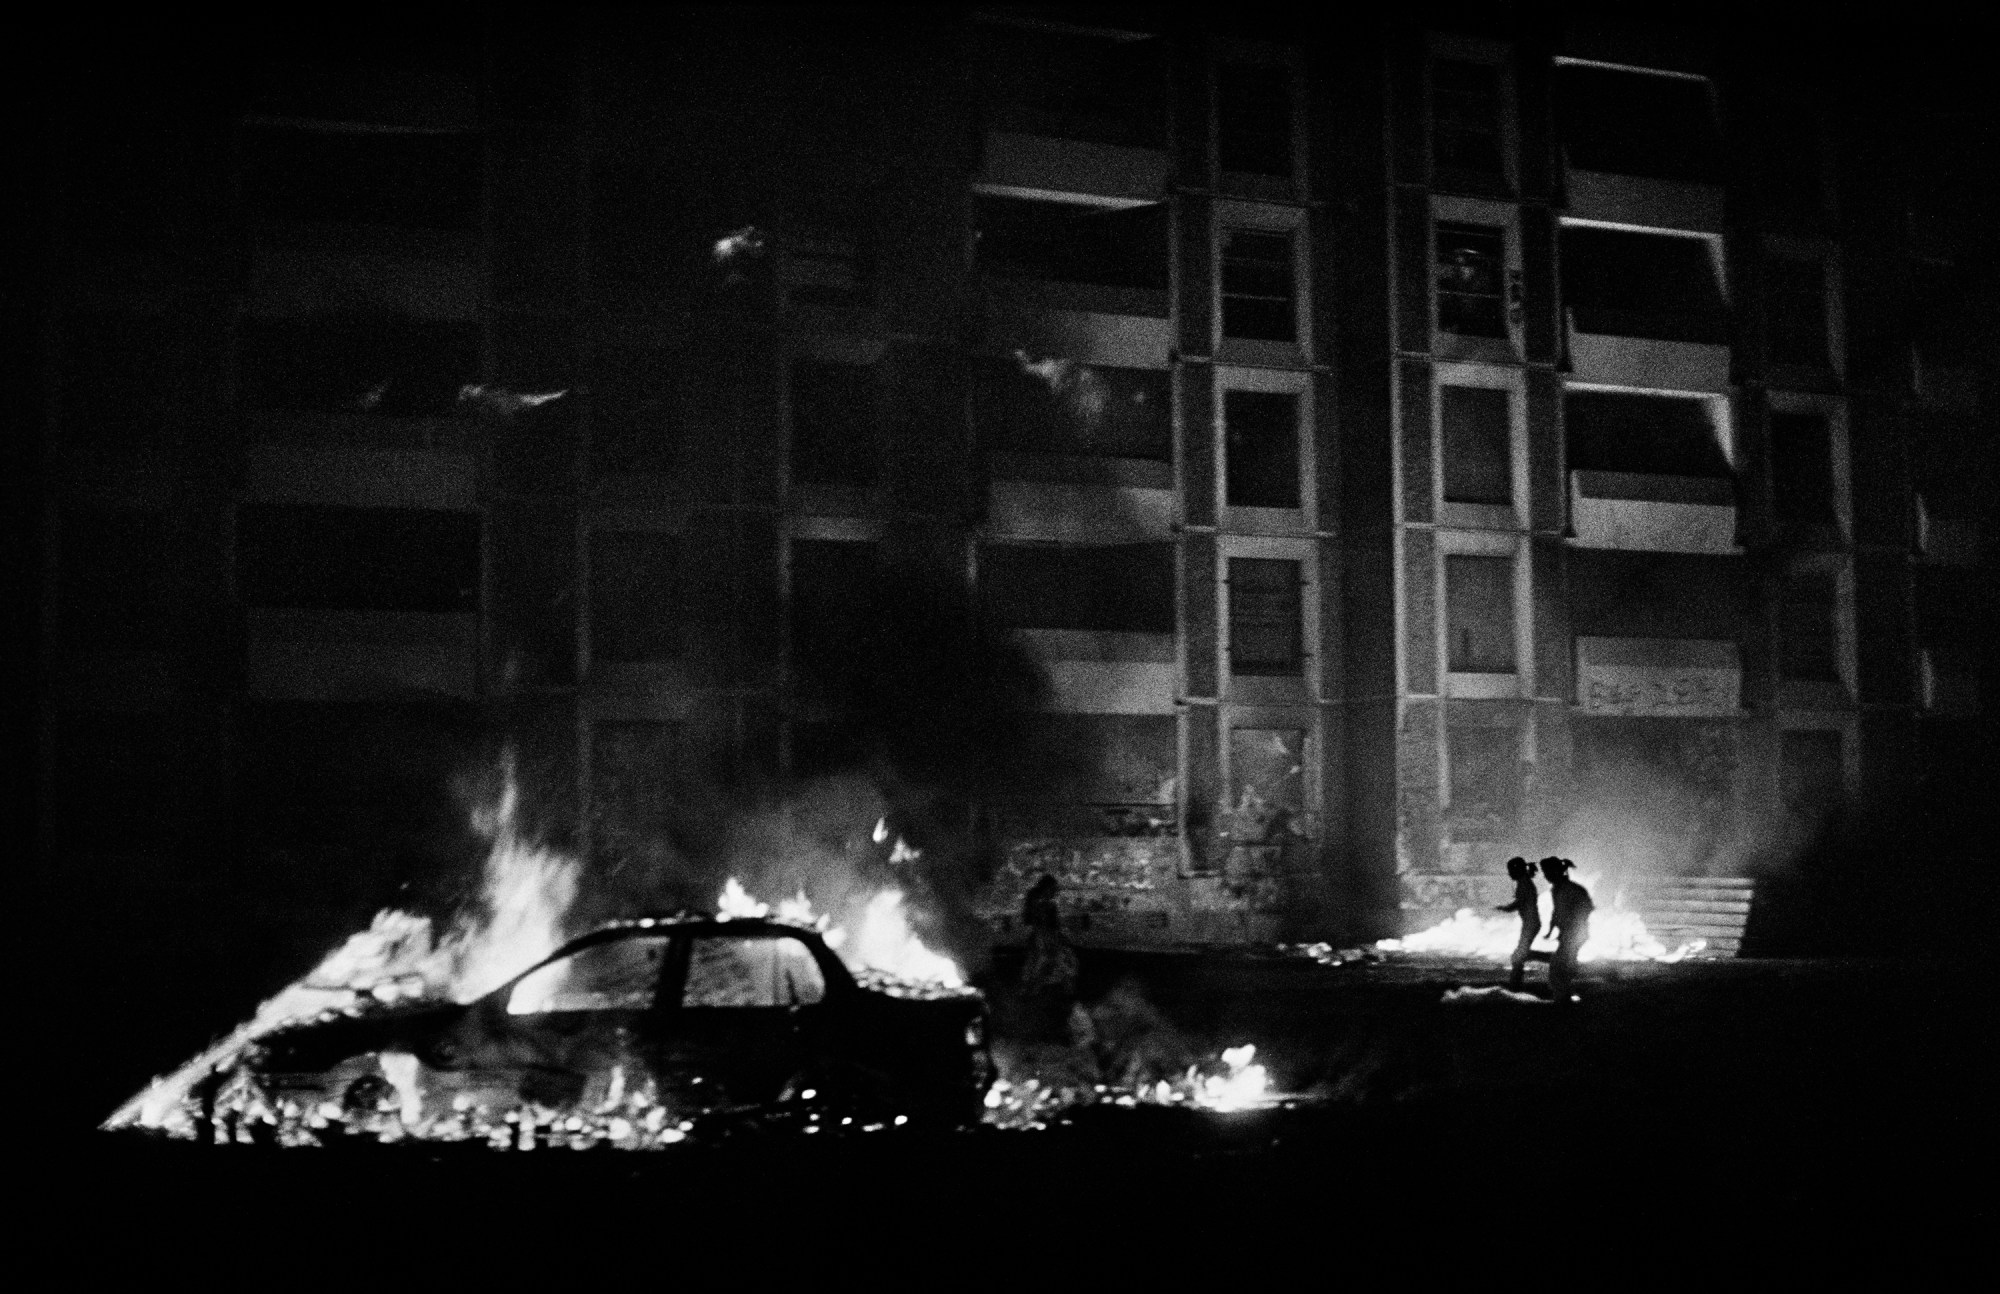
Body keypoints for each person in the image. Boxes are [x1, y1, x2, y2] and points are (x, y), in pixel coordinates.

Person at [1018, 874, 1079, 1039]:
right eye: (1054, 889)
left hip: (1041, 944)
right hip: (1047, 945)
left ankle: (1034, 1014)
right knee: (1057, 972)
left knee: (1038, 975)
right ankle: (1059, 1018)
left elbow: (1032, 924)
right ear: (1048, 889)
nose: (1056, 892)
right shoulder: (1047, 907)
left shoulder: (1036, 905)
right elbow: (1053, 929)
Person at [1540, 857, 1595, 1002]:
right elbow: (1556, 912)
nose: (1546, 876)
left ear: (1557, 871)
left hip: (1574, 934)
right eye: (1545, 873)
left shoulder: (1571, 889)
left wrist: (1572, 924)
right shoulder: (1557, 889)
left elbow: (1587, 908)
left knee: (1561, 966)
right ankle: (1563, 997)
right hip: (1568, 934)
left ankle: (1564, 1000)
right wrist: (1551, 931)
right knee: (1561, 965)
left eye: (1547, 872)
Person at [1495, 856, 1541, 990]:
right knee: (1519, 955)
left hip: (1530, 924)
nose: (1509, 874)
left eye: (1511, 870)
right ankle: (1515, 984)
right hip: (1531, 923)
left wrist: (1505, 908)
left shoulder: (1524, 883)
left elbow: (1519, 903)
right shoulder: (1524, 881)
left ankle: (1515, 986)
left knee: (1518, 956)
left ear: (1517, 870)